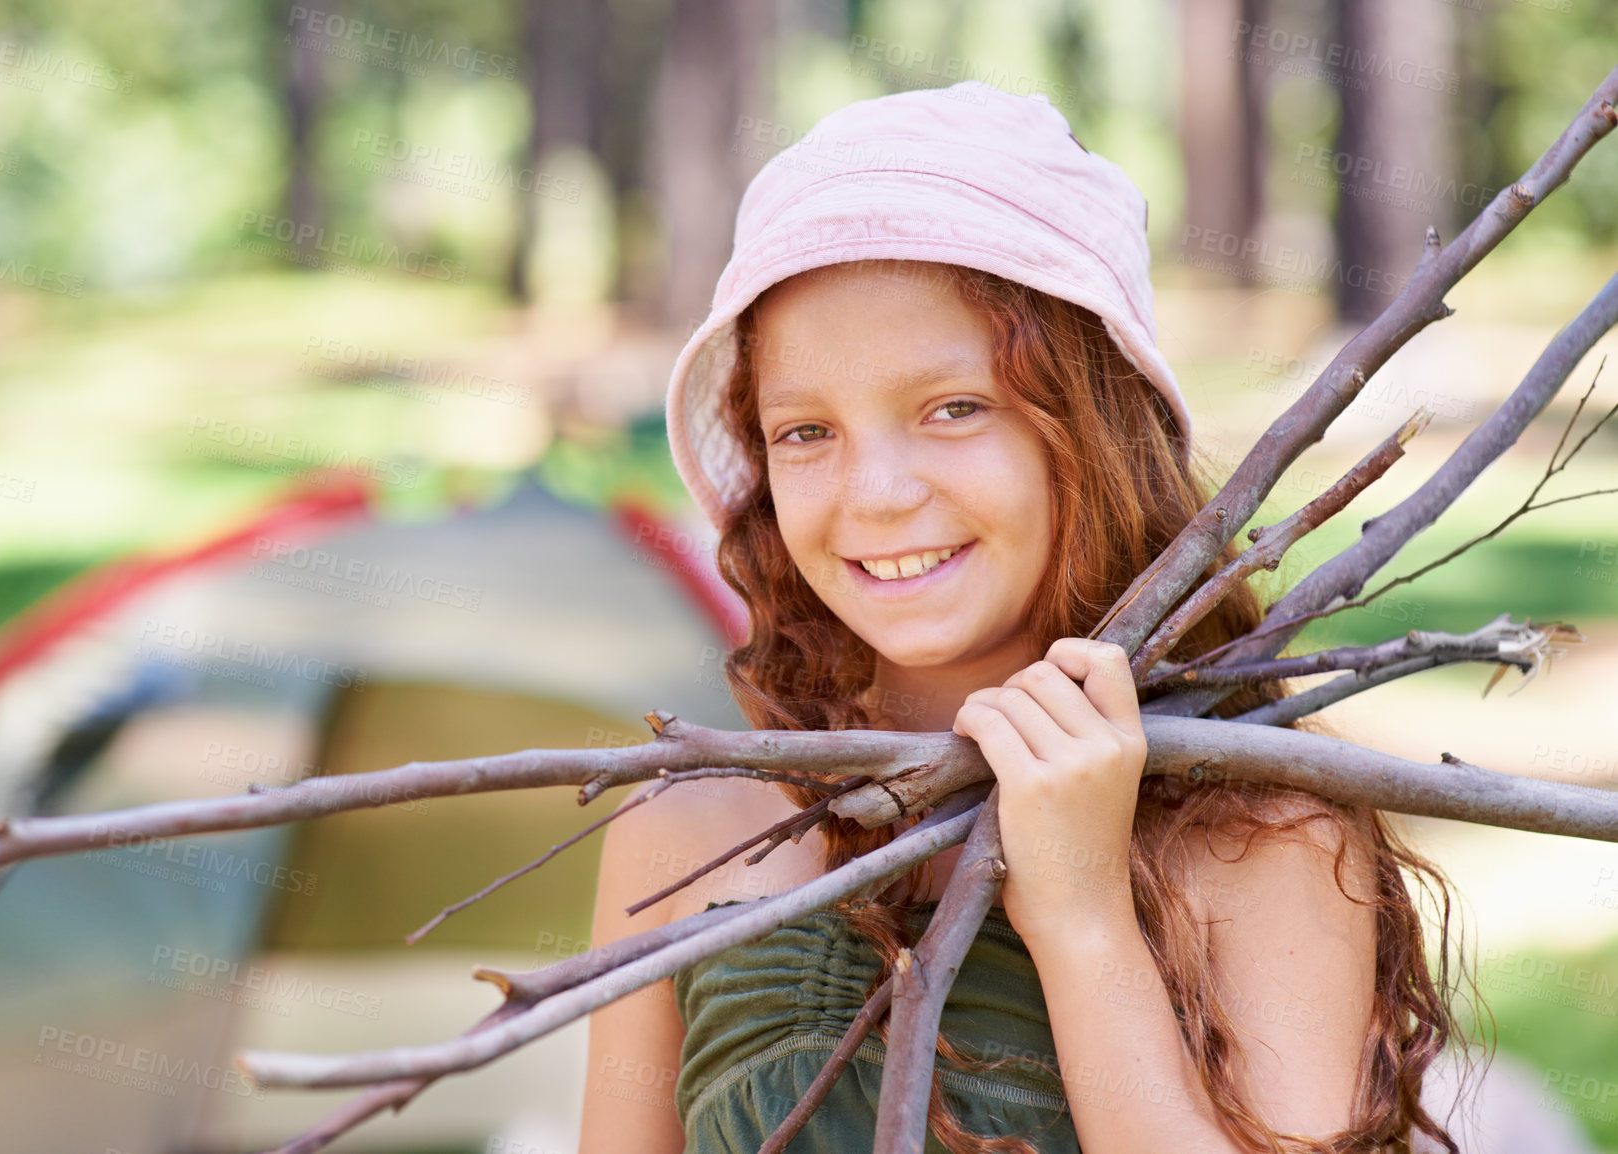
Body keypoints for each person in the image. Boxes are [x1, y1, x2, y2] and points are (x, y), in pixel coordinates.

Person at [580, 82, 1472, 1154]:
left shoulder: (1261, 845)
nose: (873, 494)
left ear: (1091, 430)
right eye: (806, 430)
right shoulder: (682, 831)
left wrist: (1083, 915)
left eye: (955, 408)